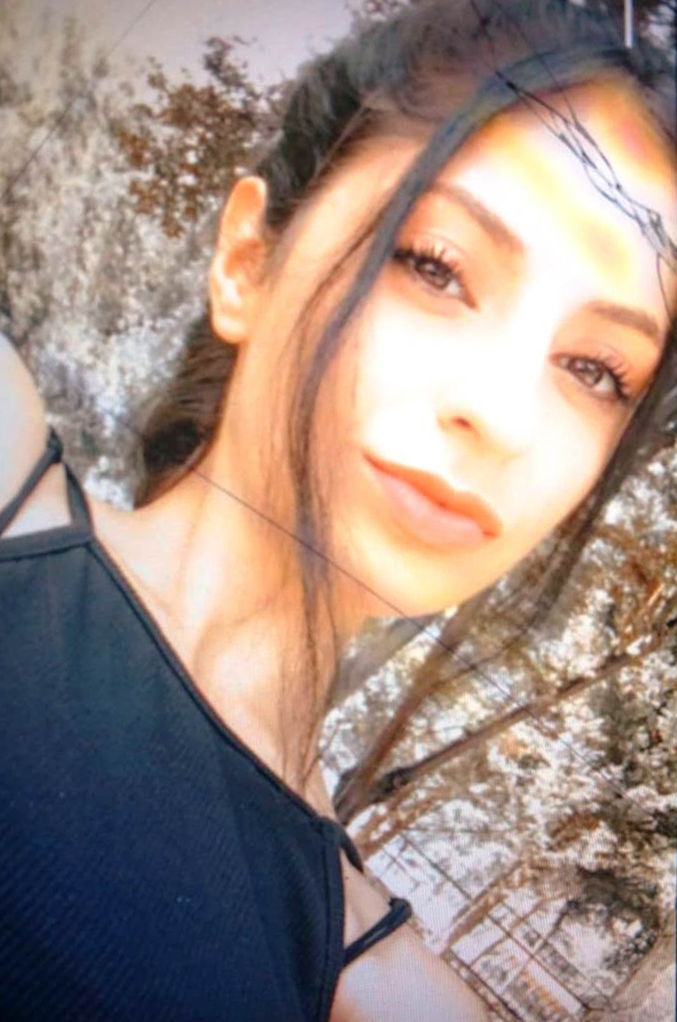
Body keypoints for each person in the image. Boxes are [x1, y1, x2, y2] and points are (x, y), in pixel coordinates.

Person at [1, 0, 675, 1018]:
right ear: (247, 262)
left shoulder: (373, 985)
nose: (502, 416)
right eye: (434, 266)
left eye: (594, 369)